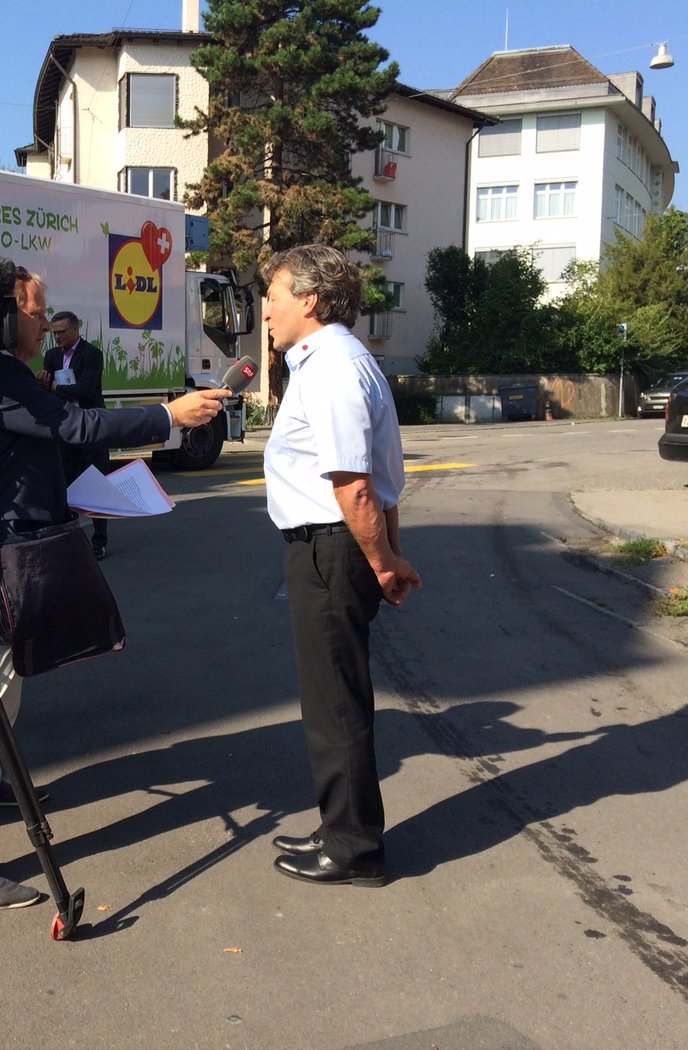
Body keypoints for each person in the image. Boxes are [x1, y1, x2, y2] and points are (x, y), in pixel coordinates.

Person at [0, 265, 232, 910]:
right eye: (38, 312)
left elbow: (44, 440)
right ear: (6, 316)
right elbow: (78, 428)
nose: (47, 322)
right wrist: (167, 414)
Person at [260, 244, 422, 887]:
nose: (266, 309)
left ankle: (354, 849)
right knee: (336, 695)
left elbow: (355, 486)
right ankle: (342, 828)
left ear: (309, 299)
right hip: (336, 546)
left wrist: (382, 564)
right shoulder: (338, 360)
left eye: (273, 295)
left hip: (331, 548)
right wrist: (390, 554)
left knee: (335, 705)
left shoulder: (330, 367)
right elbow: (382, 484)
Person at [41, 310, 110, 559]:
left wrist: (56, 387)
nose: (57, 337)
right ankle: (68, 537)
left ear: (75, 329)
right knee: (64, 485)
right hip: (66, 430)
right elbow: (47, 391)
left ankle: (99, 541)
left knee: (97, 485)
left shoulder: (92, 355)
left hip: (92, 429)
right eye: (54, 333)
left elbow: (86, 389)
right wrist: (46, 387)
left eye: (61, 332)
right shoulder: (51, 356)